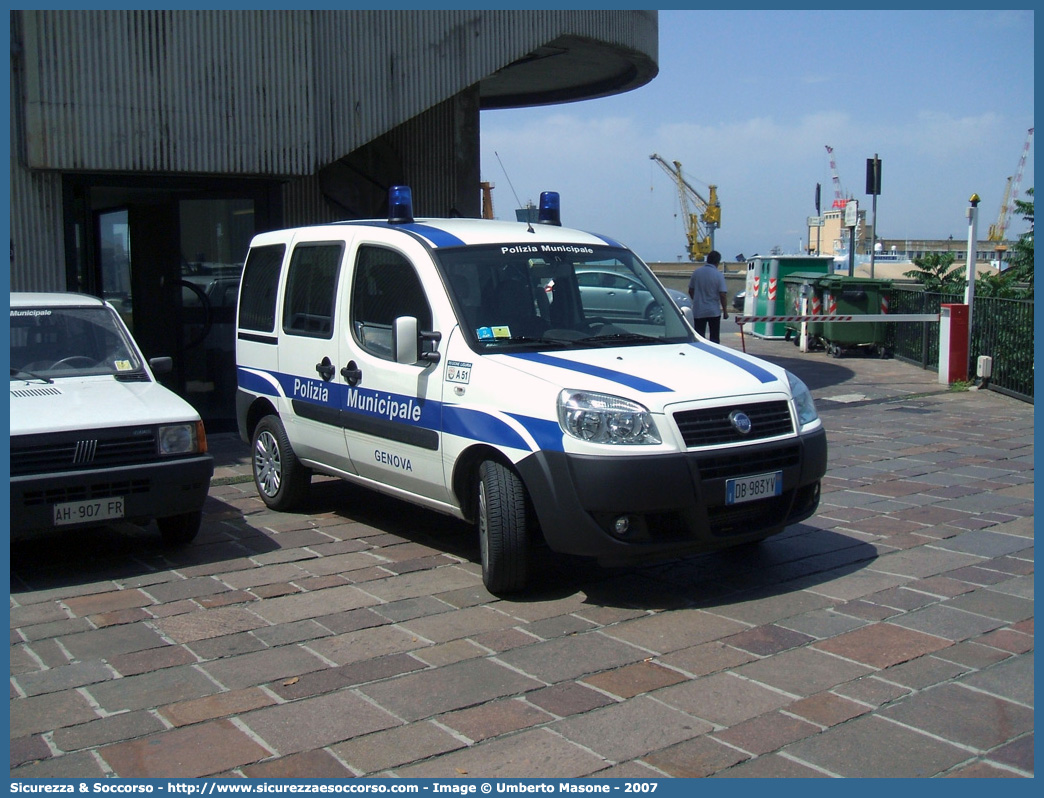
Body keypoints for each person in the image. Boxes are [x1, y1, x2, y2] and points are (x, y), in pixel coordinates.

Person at [687, 250, 729, 343]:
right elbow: (722, 294)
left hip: (699, 310)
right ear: (717, 262)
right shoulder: (718, 275)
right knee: (714, 337)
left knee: (699, 337)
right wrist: (725, 311)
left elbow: (690, 290)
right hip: (713, 311)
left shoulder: (697, 273)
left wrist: (697, 300)